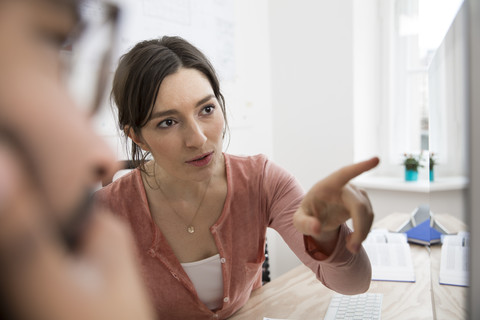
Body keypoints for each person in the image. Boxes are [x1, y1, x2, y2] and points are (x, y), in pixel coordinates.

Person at [96, 35, 380, 319]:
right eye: (168, 122)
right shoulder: (104, 210)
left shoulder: (263, 181)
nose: (198, 138)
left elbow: (355, 284)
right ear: (138, 137)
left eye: (206, 109)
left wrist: (330, 234)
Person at [0, 0, 155, 319]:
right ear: (136, 135)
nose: (104, 158)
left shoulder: (258, 175)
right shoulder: (113, 205)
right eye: (53, 42)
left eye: (207, 109)